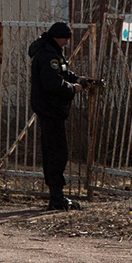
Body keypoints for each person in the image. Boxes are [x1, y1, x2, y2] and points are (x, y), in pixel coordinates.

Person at [28, 21, 90, 210]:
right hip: (51, 111)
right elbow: (53, 83)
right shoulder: (48, 56)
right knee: (57, 153)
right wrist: (74, 89)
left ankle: (56, 195)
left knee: (54, 152)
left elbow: (61, 73)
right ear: (59, 37)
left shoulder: (51, 53)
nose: (66, 43)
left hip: (51, 111)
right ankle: (56, 197)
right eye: (66, 39)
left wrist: (76, 78)